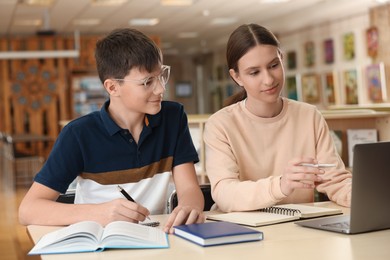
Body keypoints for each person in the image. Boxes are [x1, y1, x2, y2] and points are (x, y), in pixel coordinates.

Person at [19, 28, 205, 233]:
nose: (160, 89)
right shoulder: (78, 134)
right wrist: (98, 213)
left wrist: (190, 206)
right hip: (99, 243)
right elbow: (28, 210)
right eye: (147, 82)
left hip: (158, 239)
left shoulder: (173, 117)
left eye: (161, 76)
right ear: (112, 88)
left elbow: (189, 189)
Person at [203, 24, 351, 212]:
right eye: (254, 72)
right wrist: (281, 185)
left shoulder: (310, 116)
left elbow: (335, 181)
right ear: (237, 77)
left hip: (297, 229)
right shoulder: (220, 124)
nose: (269, 79)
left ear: (282, 58)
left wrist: (366, 195)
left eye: (273, 65)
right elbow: (225, 194)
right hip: (241, 231)